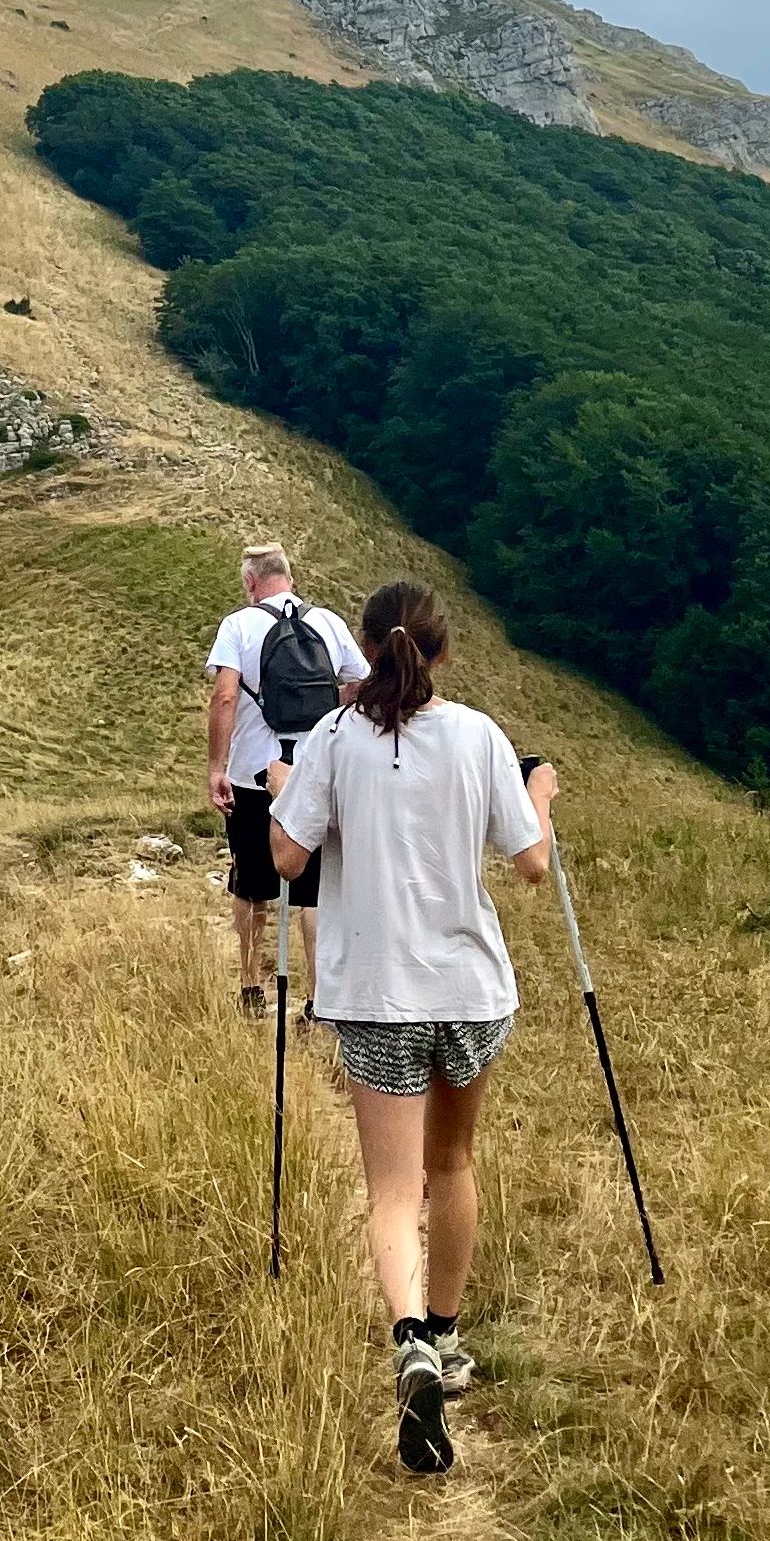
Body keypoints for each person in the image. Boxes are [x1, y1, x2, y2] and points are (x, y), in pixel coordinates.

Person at [270, 579, 555, 1479]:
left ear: (366, 651)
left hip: (377, 991)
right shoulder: (479, 737)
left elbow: (286, 856)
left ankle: (410, 1349)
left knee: (392, 1187)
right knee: (452, 1164)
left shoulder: (333, 739)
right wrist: (539, 792)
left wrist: (286, 790)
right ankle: (446, 1335)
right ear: (443, 651)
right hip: (471, 988)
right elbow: (532, 864)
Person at [205, 545, 369, 1019]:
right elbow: (362, 681)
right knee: (313, 891)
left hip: (253, 777)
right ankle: (317, 1001)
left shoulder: (238, 625)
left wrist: (217, 767)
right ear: (290, 578)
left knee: (251, 883)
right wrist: (329, 705)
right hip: (314, 775)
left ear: (251, 582)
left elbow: (224, 697)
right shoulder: (330, 623)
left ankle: (251, 988)